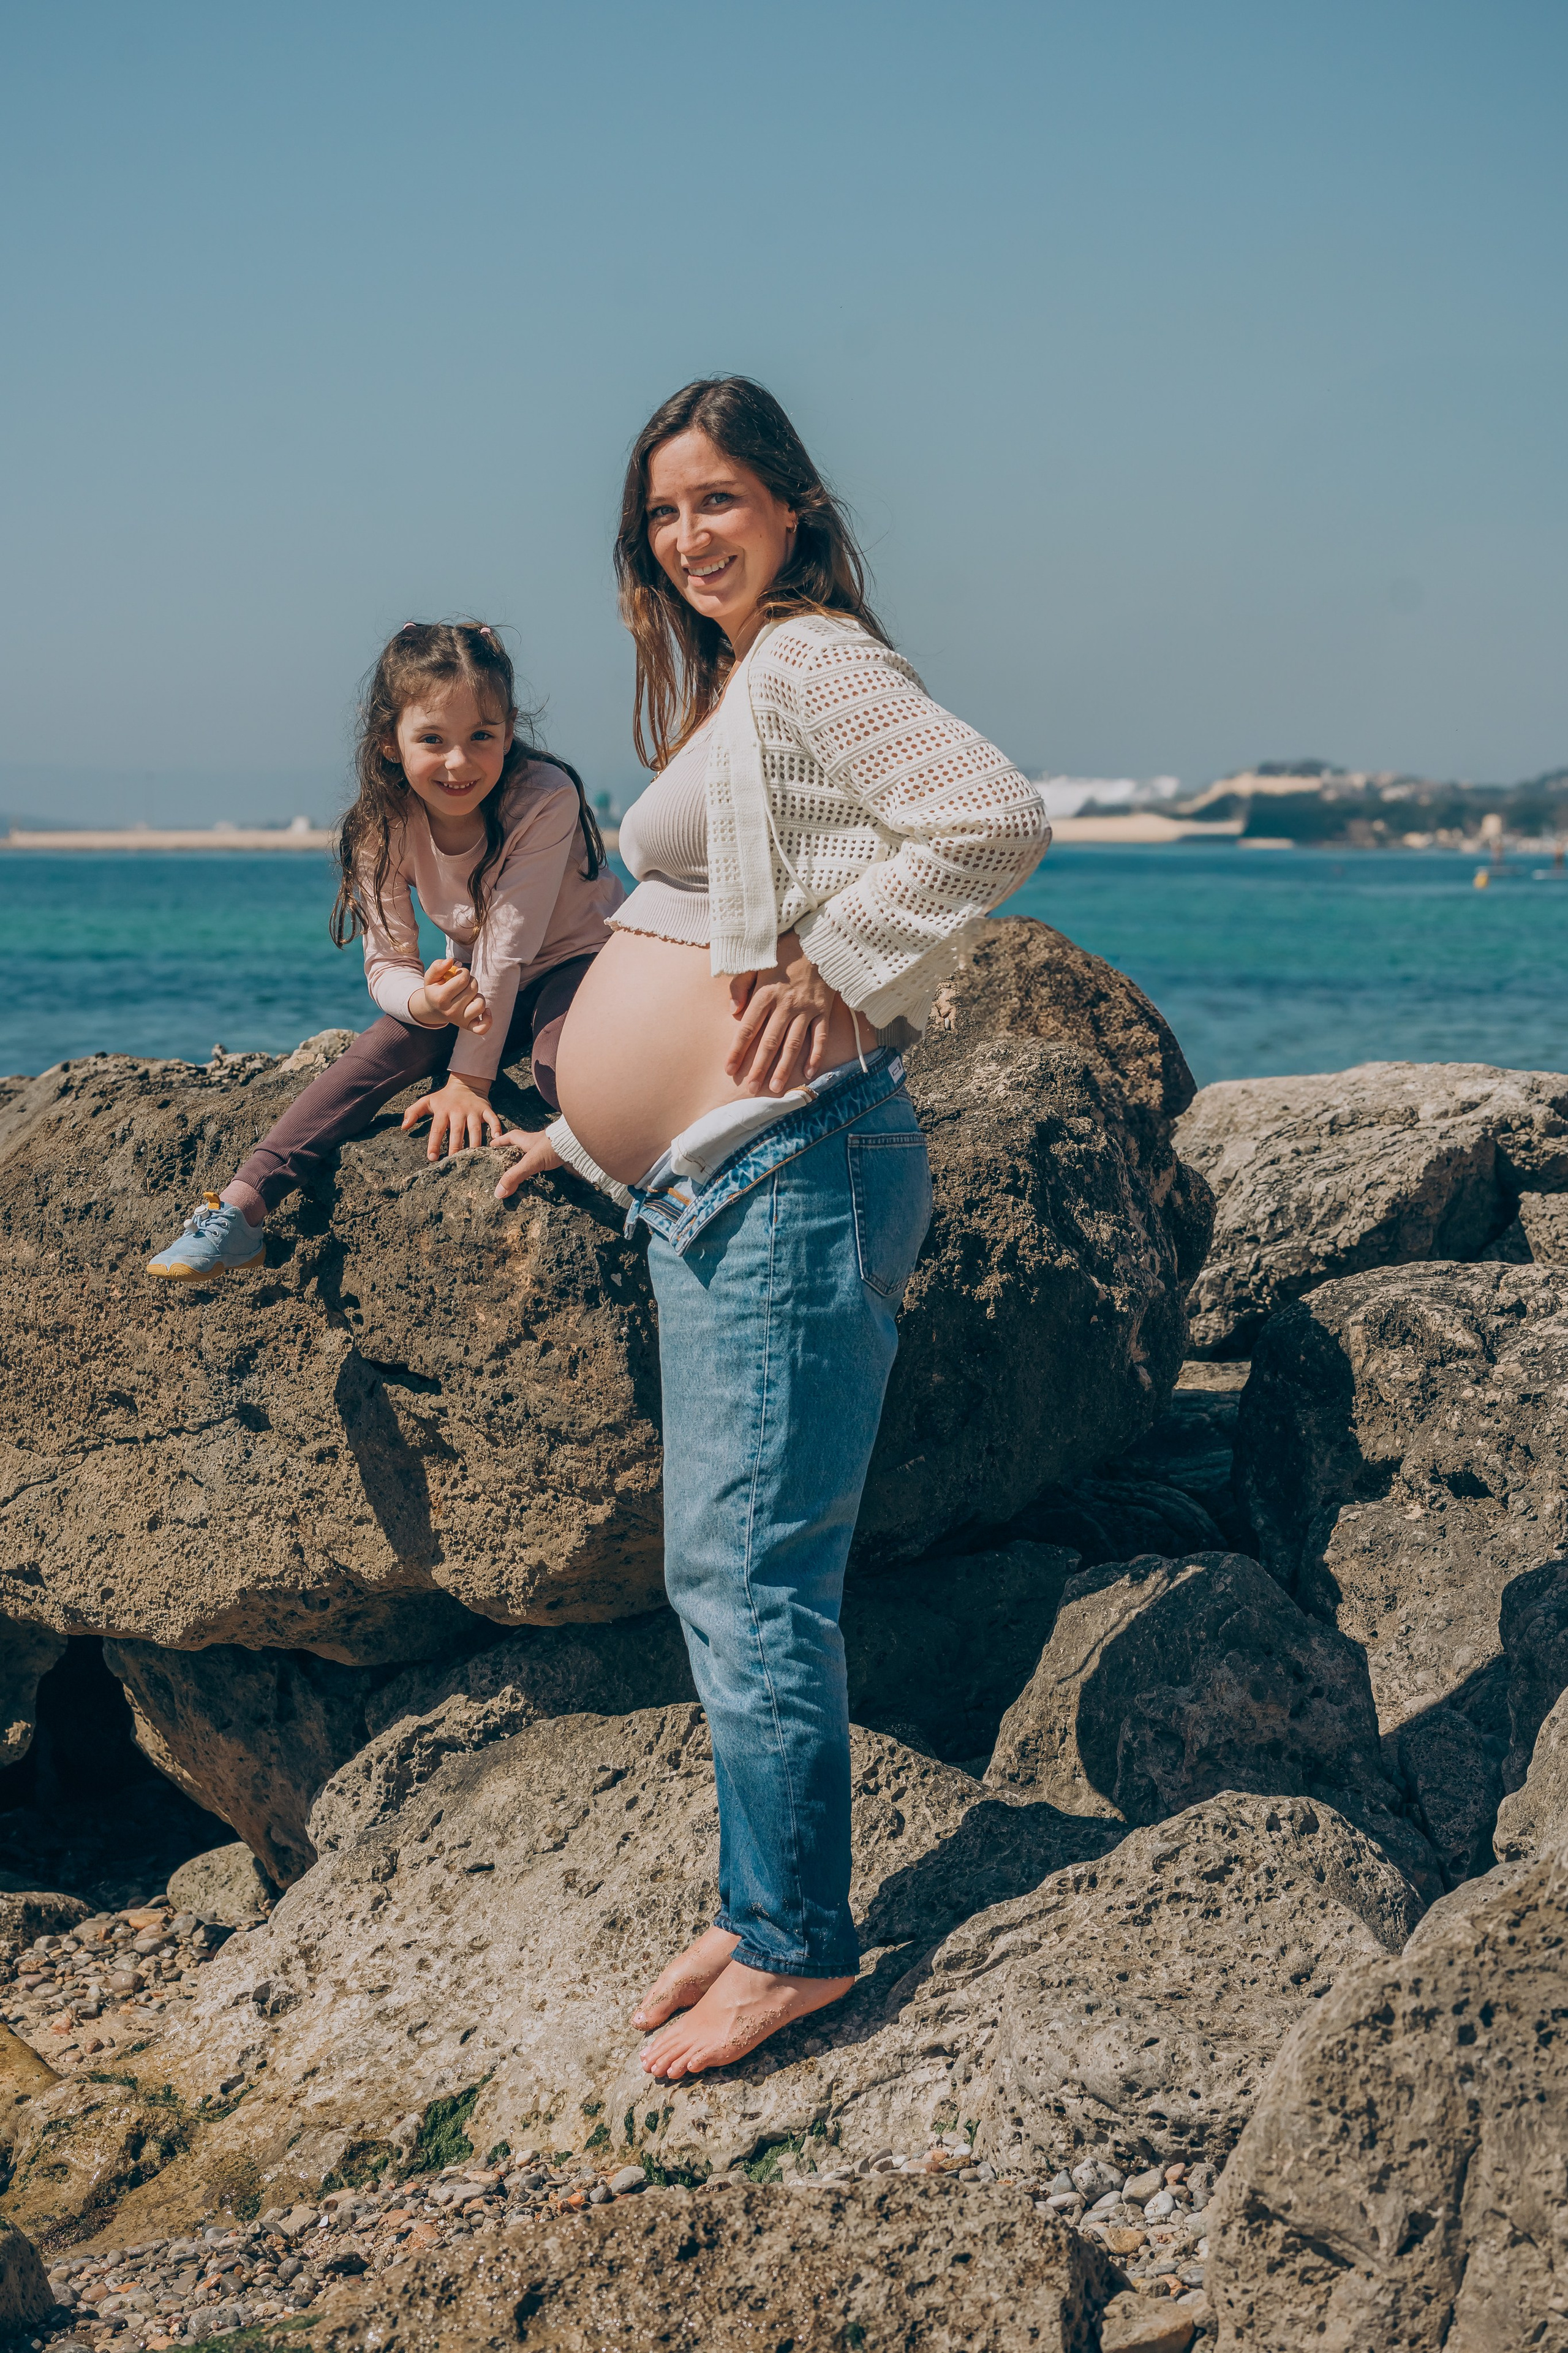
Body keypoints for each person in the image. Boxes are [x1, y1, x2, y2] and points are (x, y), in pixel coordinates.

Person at [495, 378, 1049, 2079]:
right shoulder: (748, 680)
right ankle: (761, 1899)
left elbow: (993, 817)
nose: (690, 536)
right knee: (725, 1570)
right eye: (664, 514)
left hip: (798, 1167)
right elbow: (699, 912)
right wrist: (596, 1136)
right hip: (721, 1177)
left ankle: (804, 1944)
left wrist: (842, 971)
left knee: (751, 1576)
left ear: (793, 506)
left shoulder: (812, 659)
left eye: (720, 500)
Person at [146, 621, 622, 1283]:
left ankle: (621, 1161)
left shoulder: (543, 796)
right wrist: (426, 1003)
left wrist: (468, 1081)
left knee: (556, 1071)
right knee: (383, 1048)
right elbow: (387, 962)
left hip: (582, 963)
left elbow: (510, 948)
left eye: (481, 737)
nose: (458, 763)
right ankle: (240, 1210)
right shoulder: (381, 824)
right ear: (389, 743)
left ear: (509, 732)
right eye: (432, 739)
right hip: (483, 982)